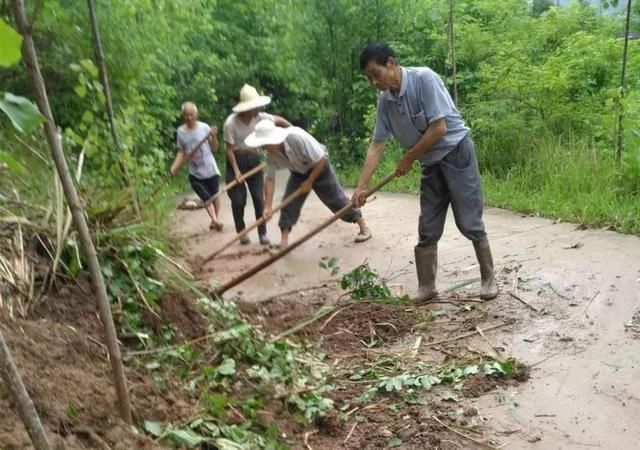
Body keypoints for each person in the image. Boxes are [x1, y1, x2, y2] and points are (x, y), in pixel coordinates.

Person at [352, 43, 498, 301]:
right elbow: (377, 145)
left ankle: (488, 278)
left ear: (391, 63)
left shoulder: (424, 79)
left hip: (456, 153)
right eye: (369, 77)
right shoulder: (385, 102)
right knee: (428, 226)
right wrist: (361, 186)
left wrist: (409, 157)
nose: (374, 81)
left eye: (376, 73)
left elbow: (439, 128)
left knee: (468, 221)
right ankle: (427, 287)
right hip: (430, 162)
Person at [245, 120, 372, 248]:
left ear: (272, 139)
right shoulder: (271, 154)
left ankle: (363, 226)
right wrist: (267, 206)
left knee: (336, 199)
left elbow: (321, 158)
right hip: (298, 172)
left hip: (320, 166)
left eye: (264, 144)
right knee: (288, 203)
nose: (263, 148)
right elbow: (270, 179)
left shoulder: (296, 137)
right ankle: (284, 242)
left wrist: (310, 181)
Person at [223, 84, 291, 245]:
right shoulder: (230, 123)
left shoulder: (261, 118)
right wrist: (236, 171)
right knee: (238, 200)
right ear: (246, 108)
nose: (258, 108)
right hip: (235, 162)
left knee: (259, 198)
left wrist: (292, 129)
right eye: (255, 106)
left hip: (253, 160)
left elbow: (279, 120)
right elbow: (229, 150)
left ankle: (262, 233)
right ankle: (242, 233)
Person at [170, 102, 223, 231]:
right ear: (183, 115)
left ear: (196, 114)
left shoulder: (205, 128)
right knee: (206, 197)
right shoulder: (181, 132)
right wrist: (173, 168)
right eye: (186, 115)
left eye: (191, 115)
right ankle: (216, 220)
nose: (189, 118)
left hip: (210, 168)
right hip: (195, 172)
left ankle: (214, 219)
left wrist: (214, 136)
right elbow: (181, 152)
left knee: (214, 195)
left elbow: (215, 148)